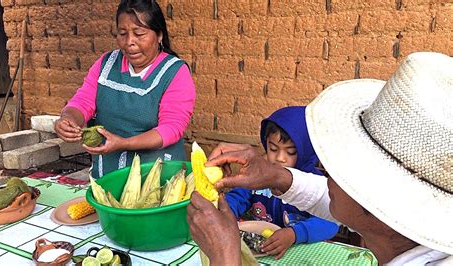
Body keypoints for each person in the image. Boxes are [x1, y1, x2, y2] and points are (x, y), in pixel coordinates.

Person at [187, 52, 453, 265]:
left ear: (376, 201)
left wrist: (224, 256)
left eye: (338, 164)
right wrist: (275, 175)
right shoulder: (402, 236)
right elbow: (330, 199)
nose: (322, 167)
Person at [54, 0, 195, 178]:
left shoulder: (174, 72)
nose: (129, 42)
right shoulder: (106, 64)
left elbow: (172, 128)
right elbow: (83, 101)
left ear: (159, 35)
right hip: (108, 174)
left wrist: (125, 143)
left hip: (155, 175)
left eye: (139, 34)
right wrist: (68, 119)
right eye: (122, 33)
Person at [225, 106, 339, 259]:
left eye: (290, 152)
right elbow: (237, 197)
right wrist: (226, 212)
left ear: (305, 151)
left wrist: (294, 234)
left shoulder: (315, 185)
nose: (280, 158)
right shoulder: (259, 176)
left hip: (302, 253)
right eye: (273, 149)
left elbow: (331, 224)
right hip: (262, 250)